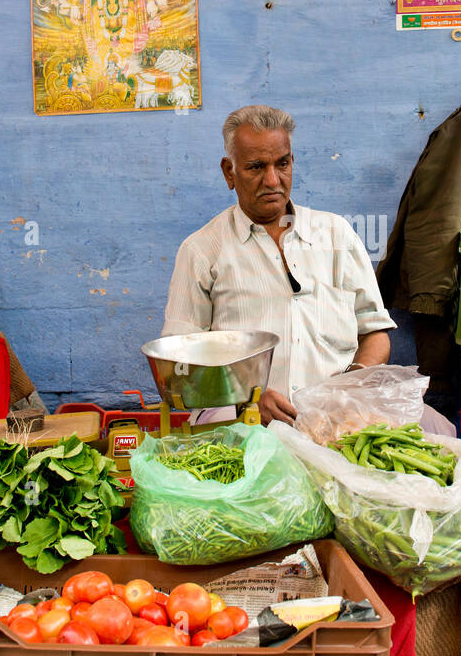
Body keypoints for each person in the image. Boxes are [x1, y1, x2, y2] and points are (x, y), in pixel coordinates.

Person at [163, 105, 407, 428]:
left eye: (283, 163)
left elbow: (375, 332)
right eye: (255, 167)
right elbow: (180, 366)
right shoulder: (201, 251)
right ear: (229, 172)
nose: (272, 180)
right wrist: (244, 401)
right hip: (243, 435)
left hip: (337, 429)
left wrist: (353, 385)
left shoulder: (336, 235)